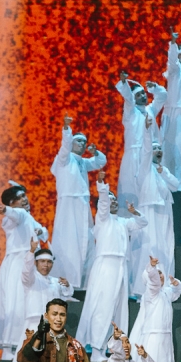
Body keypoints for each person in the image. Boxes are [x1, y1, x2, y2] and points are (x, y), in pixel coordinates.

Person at [75, 175, 147, 361]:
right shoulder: (103, 219)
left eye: (116, 201)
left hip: (121, 267)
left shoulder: (122, 222)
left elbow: (142, 223)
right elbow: (104, 205)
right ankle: (97, 349)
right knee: (102, 306)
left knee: (118, 309)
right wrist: (103, 189)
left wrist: (134, 211)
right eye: (110, 200)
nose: (113, 203)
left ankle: (114, 348)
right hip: (106, 265)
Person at [0, 241, 74, 362]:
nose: (46, 265)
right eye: (42, 262)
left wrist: (68, 285)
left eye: (48, 262)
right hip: (34, 326)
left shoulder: (55, 282)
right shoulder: (31, 280)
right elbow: (26, 272)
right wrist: (31, 251)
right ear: (36, 263)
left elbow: (67, 294)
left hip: (53, 331)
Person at [0, 183, 49, 358]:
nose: (24, 199)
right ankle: (11, 348)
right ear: (12, 203)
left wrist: (40, 230)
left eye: (24, 196)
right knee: (16, 302)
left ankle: (26, 342)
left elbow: (44, 233)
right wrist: (6, 210)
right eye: (19, 198)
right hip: (18, 264)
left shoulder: (27, 216)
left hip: (28, 263)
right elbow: (15, 214)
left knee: (29, 303)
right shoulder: (16, 215)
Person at [49, 115, 107, 289]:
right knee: (68, 240)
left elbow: (100, 162)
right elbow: (64, 147)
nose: (82, 144)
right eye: (79, 141)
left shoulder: (82, 161)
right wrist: (67, 130)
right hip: (68, 204)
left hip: (82, 204)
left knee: (85, 239)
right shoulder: (64, 159)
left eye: (84, 142)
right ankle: (66, 281)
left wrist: (95, 152)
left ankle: (83, 282)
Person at [130, 117, 181, 296]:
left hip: (164, 213)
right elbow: (145, 152)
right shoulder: (144, 169)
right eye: (155, 148)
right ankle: (143, 288)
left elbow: (176, 185)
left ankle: (163, 285)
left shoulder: (162, 171)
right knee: (150, 248)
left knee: (165, 247)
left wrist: (164, 172)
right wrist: (146, 132)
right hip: (149, 212)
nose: (158, 151)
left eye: (160, 148)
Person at [115, 71, 166, 207]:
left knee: (149, 190)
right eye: (139, 95)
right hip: (134, 156)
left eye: (144, 93)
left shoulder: (150, 110)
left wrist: (154, 88)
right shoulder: (130, 112)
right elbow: (128, 99)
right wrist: (124, 83)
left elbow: (162, 96)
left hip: (149, 156)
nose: (143, 96)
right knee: (132, 190)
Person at [160, 31, 181, 190]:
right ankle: (174, 182)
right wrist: (173, 44)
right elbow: (171, 61)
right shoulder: (175, 70)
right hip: (176, 114)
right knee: (175, 148)